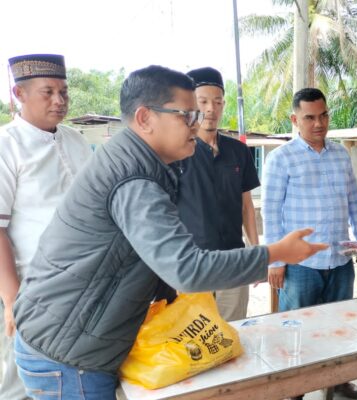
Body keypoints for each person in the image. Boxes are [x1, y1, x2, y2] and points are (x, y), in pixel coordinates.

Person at [11, 65, 326, 399]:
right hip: (67, 354)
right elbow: (186, 269)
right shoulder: (133, 178)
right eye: (186, 115)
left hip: (73, 338)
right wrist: (275, 253)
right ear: (145, 118)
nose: (197, 122)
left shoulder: (143, 162)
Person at [262, 87, 357, 399]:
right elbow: (270, 212)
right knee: (296, 331)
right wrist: (276, 261)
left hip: (339, 260)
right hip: (300, 265)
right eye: (310, 117)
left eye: (323, 116)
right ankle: (294, 389)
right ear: (295, 119)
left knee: (337, 327)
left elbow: (354, 202)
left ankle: (335, 381)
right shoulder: (281, 159)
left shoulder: (340, 154)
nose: (318, 123)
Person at [0, 53, 92, 400]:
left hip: (78, 286)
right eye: (48, 91)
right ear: (19, 94)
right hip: (27, 289)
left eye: (64, 92)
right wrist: (11, 300)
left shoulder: (76, 140)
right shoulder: (6, 145)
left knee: (65, 377)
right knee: (20, 382)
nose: (59, 100)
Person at [174, 66, 260, 321]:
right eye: (203, 102)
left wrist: (255, 252)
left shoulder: (239, 152)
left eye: (218, 101)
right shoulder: (176, 152)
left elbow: (247, 207)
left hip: (234, 261)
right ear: (191, 104)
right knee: (195, 341)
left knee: (233, 333)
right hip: (192, 264)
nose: (211, 109)